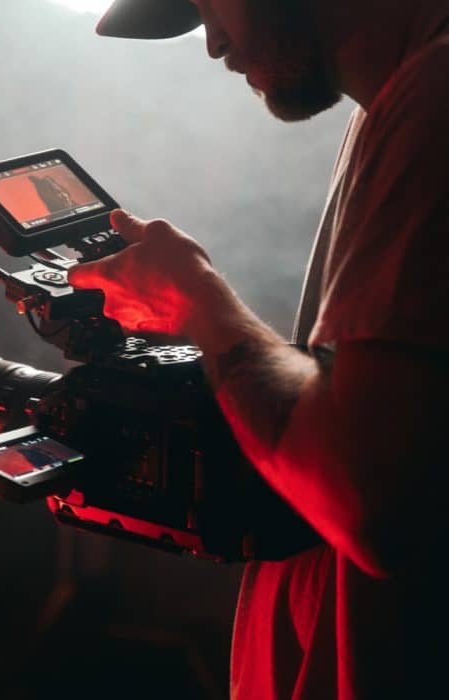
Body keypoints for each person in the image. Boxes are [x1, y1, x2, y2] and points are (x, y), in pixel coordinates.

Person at [67, 0, 449, 698]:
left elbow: (369, 501)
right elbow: (366, 423)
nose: (213, 43)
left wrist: (201, 304)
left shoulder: (434, 108)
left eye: (208, 4)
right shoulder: (393, 105)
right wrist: (187, 343)